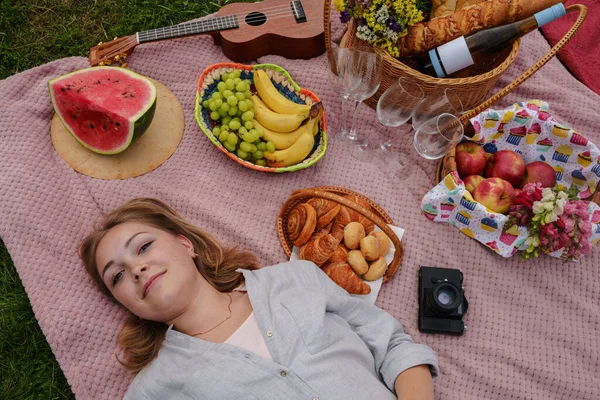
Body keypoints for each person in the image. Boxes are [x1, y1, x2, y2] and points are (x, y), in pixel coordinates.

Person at [80, 198, 439, 400]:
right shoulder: (152, 390)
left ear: (185, 245)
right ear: (125, 303)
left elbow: (392, 345)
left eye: (143, 247)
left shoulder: (294, 277)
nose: (137, 268)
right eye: (118, 276)